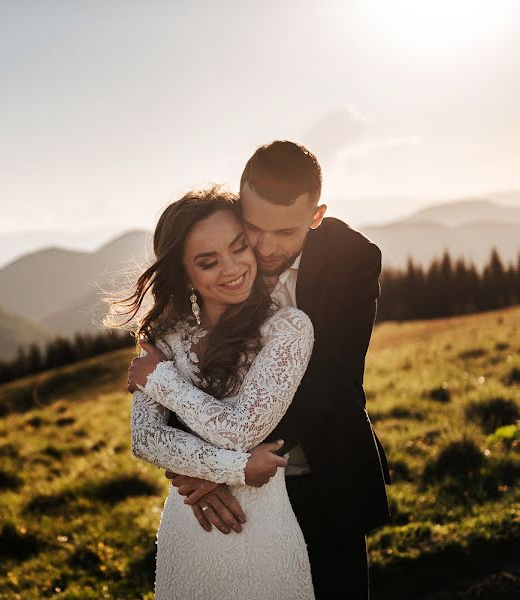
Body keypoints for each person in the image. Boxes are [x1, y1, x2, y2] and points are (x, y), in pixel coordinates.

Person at [131, 141, 392, 599]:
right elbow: (178, 366)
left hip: (321, 473)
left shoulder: (352, 258)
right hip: (229, 497)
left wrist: (224, 466)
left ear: (316, 216)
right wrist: (213, 465)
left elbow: (331, 379)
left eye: (287, 232)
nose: (266, 247)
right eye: (253, 227)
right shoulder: (217, 250)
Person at [107, 186, 317, 599]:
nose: (232, 268)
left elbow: (241, 431)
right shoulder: (165, 336)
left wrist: (161, 381)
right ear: (185, 274)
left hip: (262, 532)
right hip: (189, 528)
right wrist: (235, 471)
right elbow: (146, 439)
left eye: (239, 247)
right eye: (208, 262)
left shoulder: (288, 328)